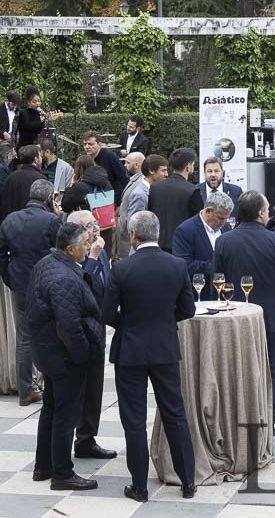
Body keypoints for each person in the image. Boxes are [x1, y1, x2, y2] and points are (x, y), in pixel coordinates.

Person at [101, 211, 198, 503]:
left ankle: (140, 486)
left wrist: (129, 324)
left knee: (134, 420)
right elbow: (188, 310)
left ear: (133, 235)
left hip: (130, 349)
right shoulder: (177, 265)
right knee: (175, 414)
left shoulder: (121, 268)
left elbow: (106, 313)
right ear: (157, 233)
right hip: (165, 348)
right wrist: (165, 322)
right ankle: (188, 481)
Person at [213, 191, 275, 429]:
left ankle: (239, 422)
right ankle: (269, 420)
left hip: (235, 317)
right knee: (271, 370)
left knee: (238, 371)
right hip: (271, 317)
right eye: (266, 210)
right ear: (259, 214)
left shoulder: (224, 241)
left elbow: (218, 280)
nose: (269, 214)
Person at [26, 222, 102, 492]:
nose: (87, 247)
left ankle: (43, 466)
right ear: (70, 250)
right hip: (63, 356)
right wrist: (83, 355)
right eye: (84, 244)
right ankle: (62, 473)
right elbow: (69, 326)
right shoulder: (64, 277)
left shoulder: (48, 262)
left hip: (48, 351)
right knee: (64, 415)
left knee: (51, 408)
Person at [0, 179, 62, 406]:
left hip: (21, 285)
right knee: (52, 332)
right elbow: (61, 252)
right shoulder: (52, 220)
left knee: (24, 337)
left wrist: (10, 279)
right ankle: (53, 385)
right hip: (47, 283)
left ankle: (25, 389)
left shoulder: (10, 219)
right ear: (49, 198)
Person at [62, 211, 115, 462]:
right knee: (76, 390)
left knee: (95, 387)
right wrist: (92, 257)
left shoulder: (100, 250)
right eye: (88, 226)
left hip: (98, 327)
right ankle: (67, 441)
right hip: (78, 331)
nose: (95, 230)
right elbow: (84, 285)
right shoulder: (77, 255)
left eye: (95, 224)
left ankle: (87, 439)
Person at [174, 191, 234, 290]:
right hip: (199, 293)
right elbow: (183, 264)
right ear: (208, 211)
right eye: (220, 218)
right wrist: (215, 266)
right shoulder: (185, 230)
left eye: (225, 219)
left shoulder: (226, 228)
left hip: (224, 294)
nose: (223, 223)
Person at [149, 148, 203, 251]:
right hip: (182, 245)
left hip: (156, 244)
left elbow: (151, 215)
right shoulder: (192, 190)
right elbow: (199, 222)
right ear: (188, 166)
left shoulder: (155, 188)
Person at [1, 145, 47, 220]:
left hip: (13, 221)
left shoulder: (11, 177)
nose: (41, 159)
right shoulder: (41, 178)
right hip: (33, 220)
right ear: (35, 159)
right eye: (40, 156)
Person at [114, 152, 146, 259]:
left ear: (136, 165)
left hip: (129, 235)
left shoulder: (141, 182)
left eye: (127, 163)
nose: (124, 165)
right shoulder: (134, 179)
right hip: (124, 233)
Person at [81, 132, 129, 203]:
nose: (87, 147)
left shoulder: (109, 156)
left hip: (110, 198)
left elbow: (124, 178)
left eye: (90, 144)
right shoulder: (86, 158)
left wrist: (114, 198)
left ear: (99, 144)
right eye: (85, 144)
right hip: (93, 198)